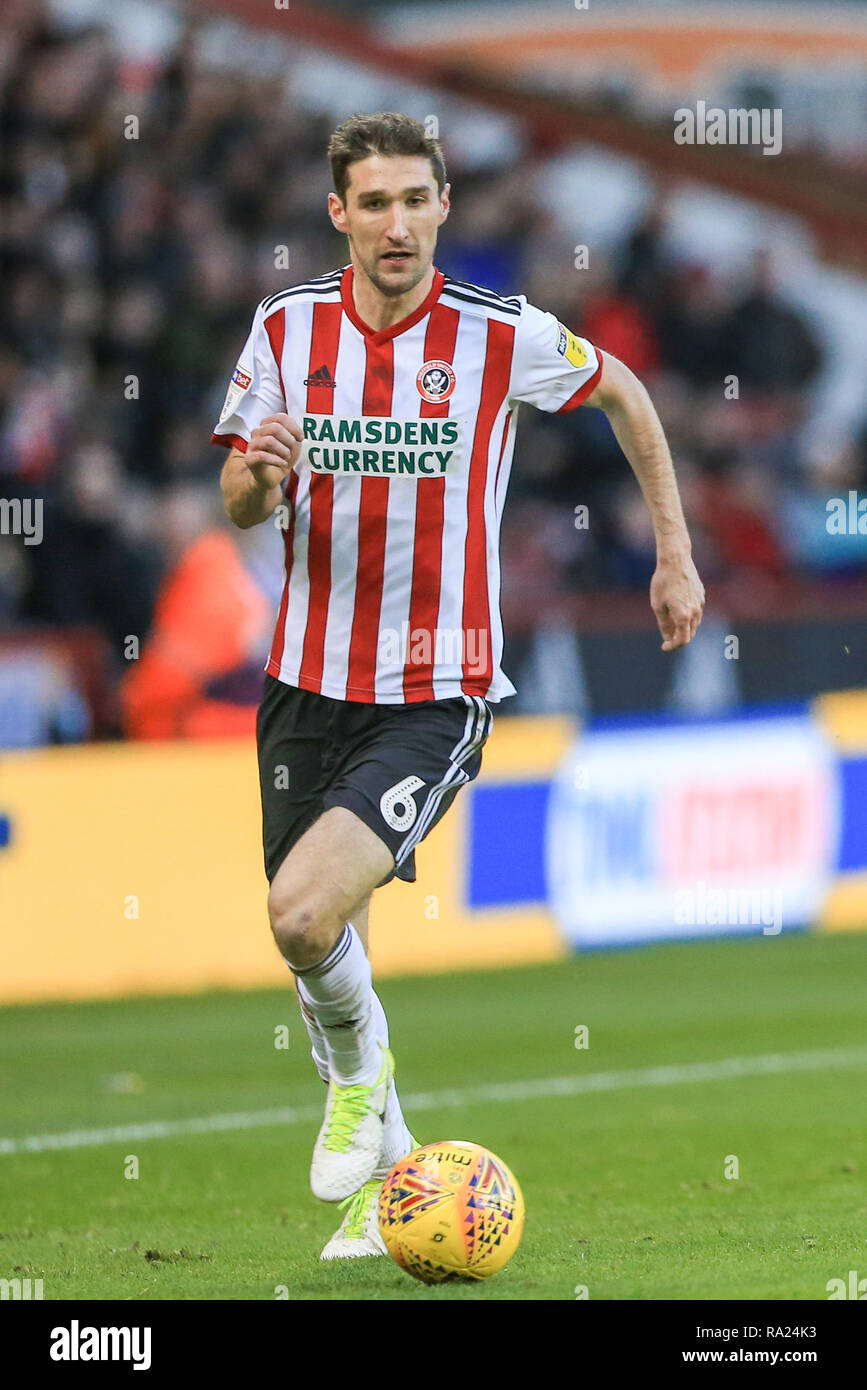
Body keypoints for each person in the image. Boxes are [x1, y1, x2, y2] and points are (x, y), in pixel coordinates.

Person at [211, 111, 705, 1261]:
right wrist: (260, 474)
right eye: (372, 202)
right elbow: (236, 497)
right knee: (319, 939)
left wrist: (673, 553)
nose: (396, 223)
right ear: (339, 214)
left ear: (442, 208)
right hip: (302, 682)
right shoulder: (286, 329)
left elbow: (627, 391)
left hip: (439, 685)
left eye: (414, 200)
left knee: (301, 910)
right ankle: (380, 1187)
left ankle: (359, 1073)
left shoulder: (499, 335)